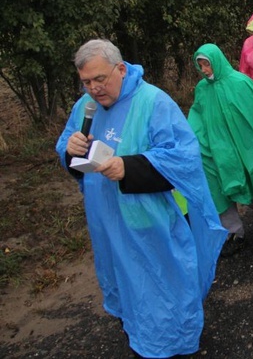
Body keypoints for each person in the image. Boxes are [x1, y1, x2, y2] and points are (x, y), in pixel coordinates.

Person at [56, 39, 226, 358]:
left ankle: (170, 345)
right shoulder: (84, 108)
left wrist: (128, 167)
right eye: (86, 82)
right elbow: (66, 145)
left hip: (149, 221)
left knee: (161, 290)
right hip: (106, 221)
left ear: (120, 69)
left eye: (100, 79)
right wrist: (70, 151)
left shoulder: (153, 103)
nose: (93, 88)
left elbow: (184, 160)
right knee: (125, 286)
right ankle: (138, 334)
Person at [188, 43, 253, 257]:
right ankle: (234, 232)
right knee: (218, 189)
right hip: (216, 152)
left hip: (243, 147)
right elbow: (196, 115)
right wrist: (195, 140)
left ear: (217, 61)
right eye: (200, 65)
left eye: (207, 64)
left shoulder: (240, 82)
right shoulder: (202, 89)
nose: (205, 70)